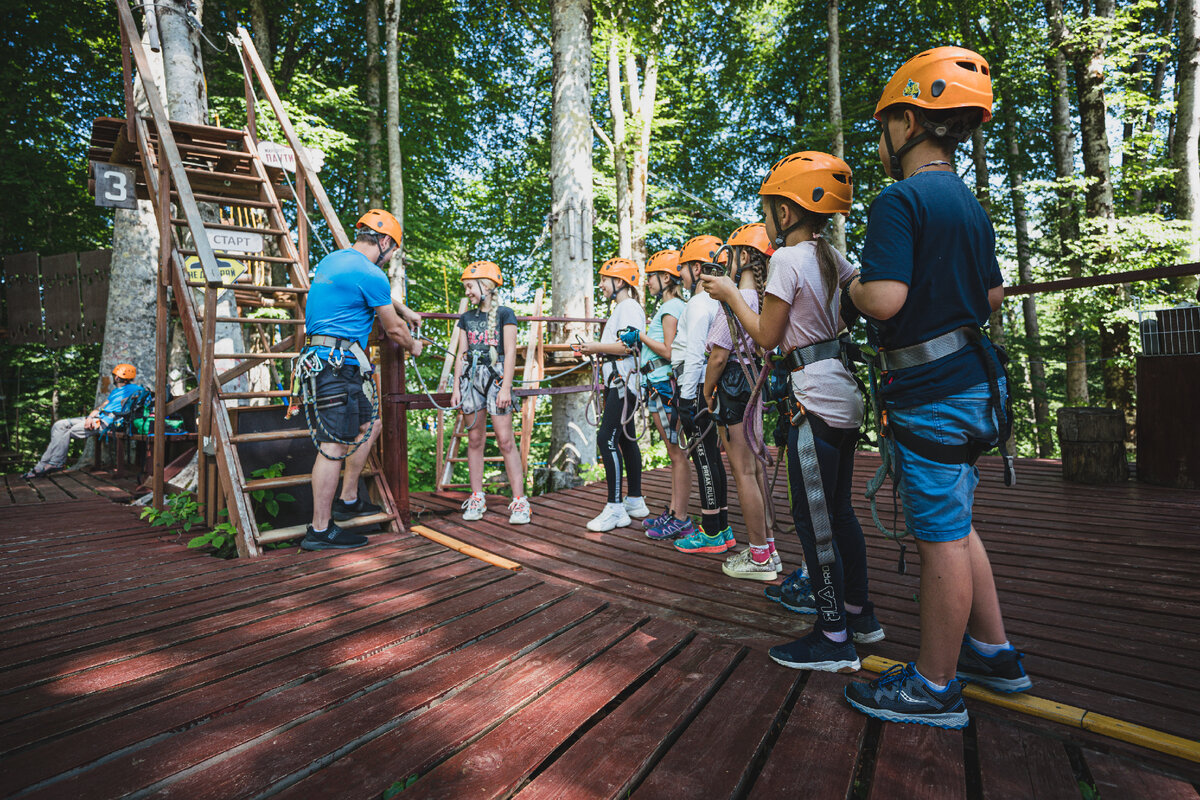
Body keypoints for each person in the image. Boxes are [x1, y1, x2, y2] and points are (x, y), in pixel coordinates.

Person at [840, 47, 1031, 729]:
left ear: (912, 119)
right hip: (975, 384)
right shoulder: (968, 205)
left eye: (889, 120)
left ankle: (935, 684)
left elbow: (885, 299)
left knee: (939, 535)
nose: (884, 135)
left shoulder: (899, 201)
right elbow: (994, 294)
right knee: (958, 520)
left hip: (931, 392)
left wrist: (849, 286)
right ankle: (994, 652)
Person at [705, 152, 883, 674]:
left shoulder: (786, 259)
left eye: (768, 210)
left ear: (786, 213)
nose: (765, 220)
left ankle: (833, 635)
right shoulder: (833, 257)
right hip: (843, 394)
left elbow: (766, 336)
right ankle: (859, 612)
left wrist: (731, 297)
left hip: (814, 400)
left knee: (813, 519)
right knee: (840, 510)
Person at [299, 209, 423, 552]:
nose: (390, 257)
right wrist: (414, 346)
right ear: (384, 241)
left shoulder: (333, 261)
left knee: (371, 425)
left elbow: (366, 288)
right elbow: (395, 330)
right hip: (334, 367)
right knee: (333, 445)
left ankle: (349, 498)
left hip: (334, 364)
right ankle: (320, 530)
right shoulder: (371, 275)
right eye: (392, 251)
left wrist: (403, 309)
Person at [702, 223, 780, 580]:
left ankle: (759, 556)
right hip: (753, 385)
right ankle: (769, 547)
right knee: (756, 469)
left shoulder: (735, 301)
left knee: (744, 472)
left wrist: (706, 390)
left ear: (744, 256)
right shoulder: (762, 301)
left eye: (731, 255)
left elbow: (718, 357)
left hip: (733, 386)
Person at [449, 260, 531, 525]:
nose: (468, 292)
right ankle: (476, 495)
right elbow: (461, 355)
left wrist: (506, 386)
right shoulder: (466, 319)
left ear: (486, 286)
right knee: (475, 440)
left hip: (496, 380)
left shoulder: (505, 314)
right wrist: (456, 388)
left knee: (506, 441)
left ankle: (519, 501)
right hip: (472, 380)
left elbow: (510, 354)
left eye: (470, 286)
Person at [670, 235, 733, 555]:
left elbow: (694, 355)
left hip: (693, 387)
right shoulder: (719, 303)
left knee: (704, 458)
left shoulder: (697, 304)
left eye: (682, 268)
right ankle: (721, 526)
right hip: (708, 388)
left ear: (698, 268)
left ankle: (710, 533)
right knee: (712, 455)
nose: (680, 275)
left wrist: (684, 400)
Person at [576, 257, 649, 532]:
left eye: (605, 280)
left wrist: (594, 347)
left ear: (619, 282)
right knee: (626, 438)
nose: (601, 285)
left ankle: (616, 508)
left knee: (606, 437)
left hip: (622, 381)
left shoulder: (628, 307)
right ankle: (635, 500)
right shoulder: (624, 308)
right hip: (621, 380)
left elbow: (628, 347)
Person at [635, 249, 697, 541]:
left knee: (677, 454)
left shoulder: (671, 308)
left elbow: (670, 352)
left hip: (664, 387)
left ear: (665, 278)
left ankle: (681, 517)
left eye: (651, 278)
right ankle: (674, 512)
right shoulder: (671, 307)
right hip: (659, 385)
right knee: (675, 453)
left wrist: (640, 337)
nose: (647, 283)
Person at [22, 363, 146, 478]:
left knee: (68, 431)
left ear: (118, 378)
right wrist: (91, 417)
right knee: (59, 425)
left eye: (114, 375)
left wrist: (99, 419)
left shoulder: (136, 390)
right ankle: (41, 465)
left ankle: (55, 463)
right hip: (98, 418)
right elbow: (102, 406)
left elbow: (133, 406)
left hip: (108, 422)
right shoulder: (115, 392)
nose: (113, 377)